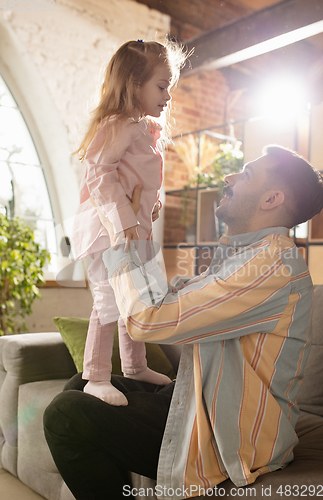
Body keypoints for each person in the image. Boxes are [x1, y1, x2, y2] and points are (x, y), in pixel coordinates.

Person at [44, 145, 323, 500]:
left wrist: (121, 232)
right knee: (80, 383)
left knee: (66, 415)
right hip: (201, 398)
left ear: (271, 199)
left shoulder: (273, 265)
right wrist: (140, 230)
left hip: (231, 435)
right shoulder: (242, 255)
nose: (230, 177)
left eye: (246, 174)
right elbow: (171, 299)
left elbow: (148, 320)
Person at [71, 39, 186, 406]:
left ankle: (134, 367)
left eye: (169, 86)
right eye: (161, 85)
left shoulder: (141, 129)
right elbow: (98, 175)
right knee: (107, 302)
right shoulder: (117, 125)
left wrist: (151, 205)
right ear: (134, 83)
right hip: (109, 232)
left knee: (132, 301)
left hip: (131, 231)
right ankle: (96, 376)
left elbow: (137, 178)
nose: (167, 95)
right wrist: (123, 222)